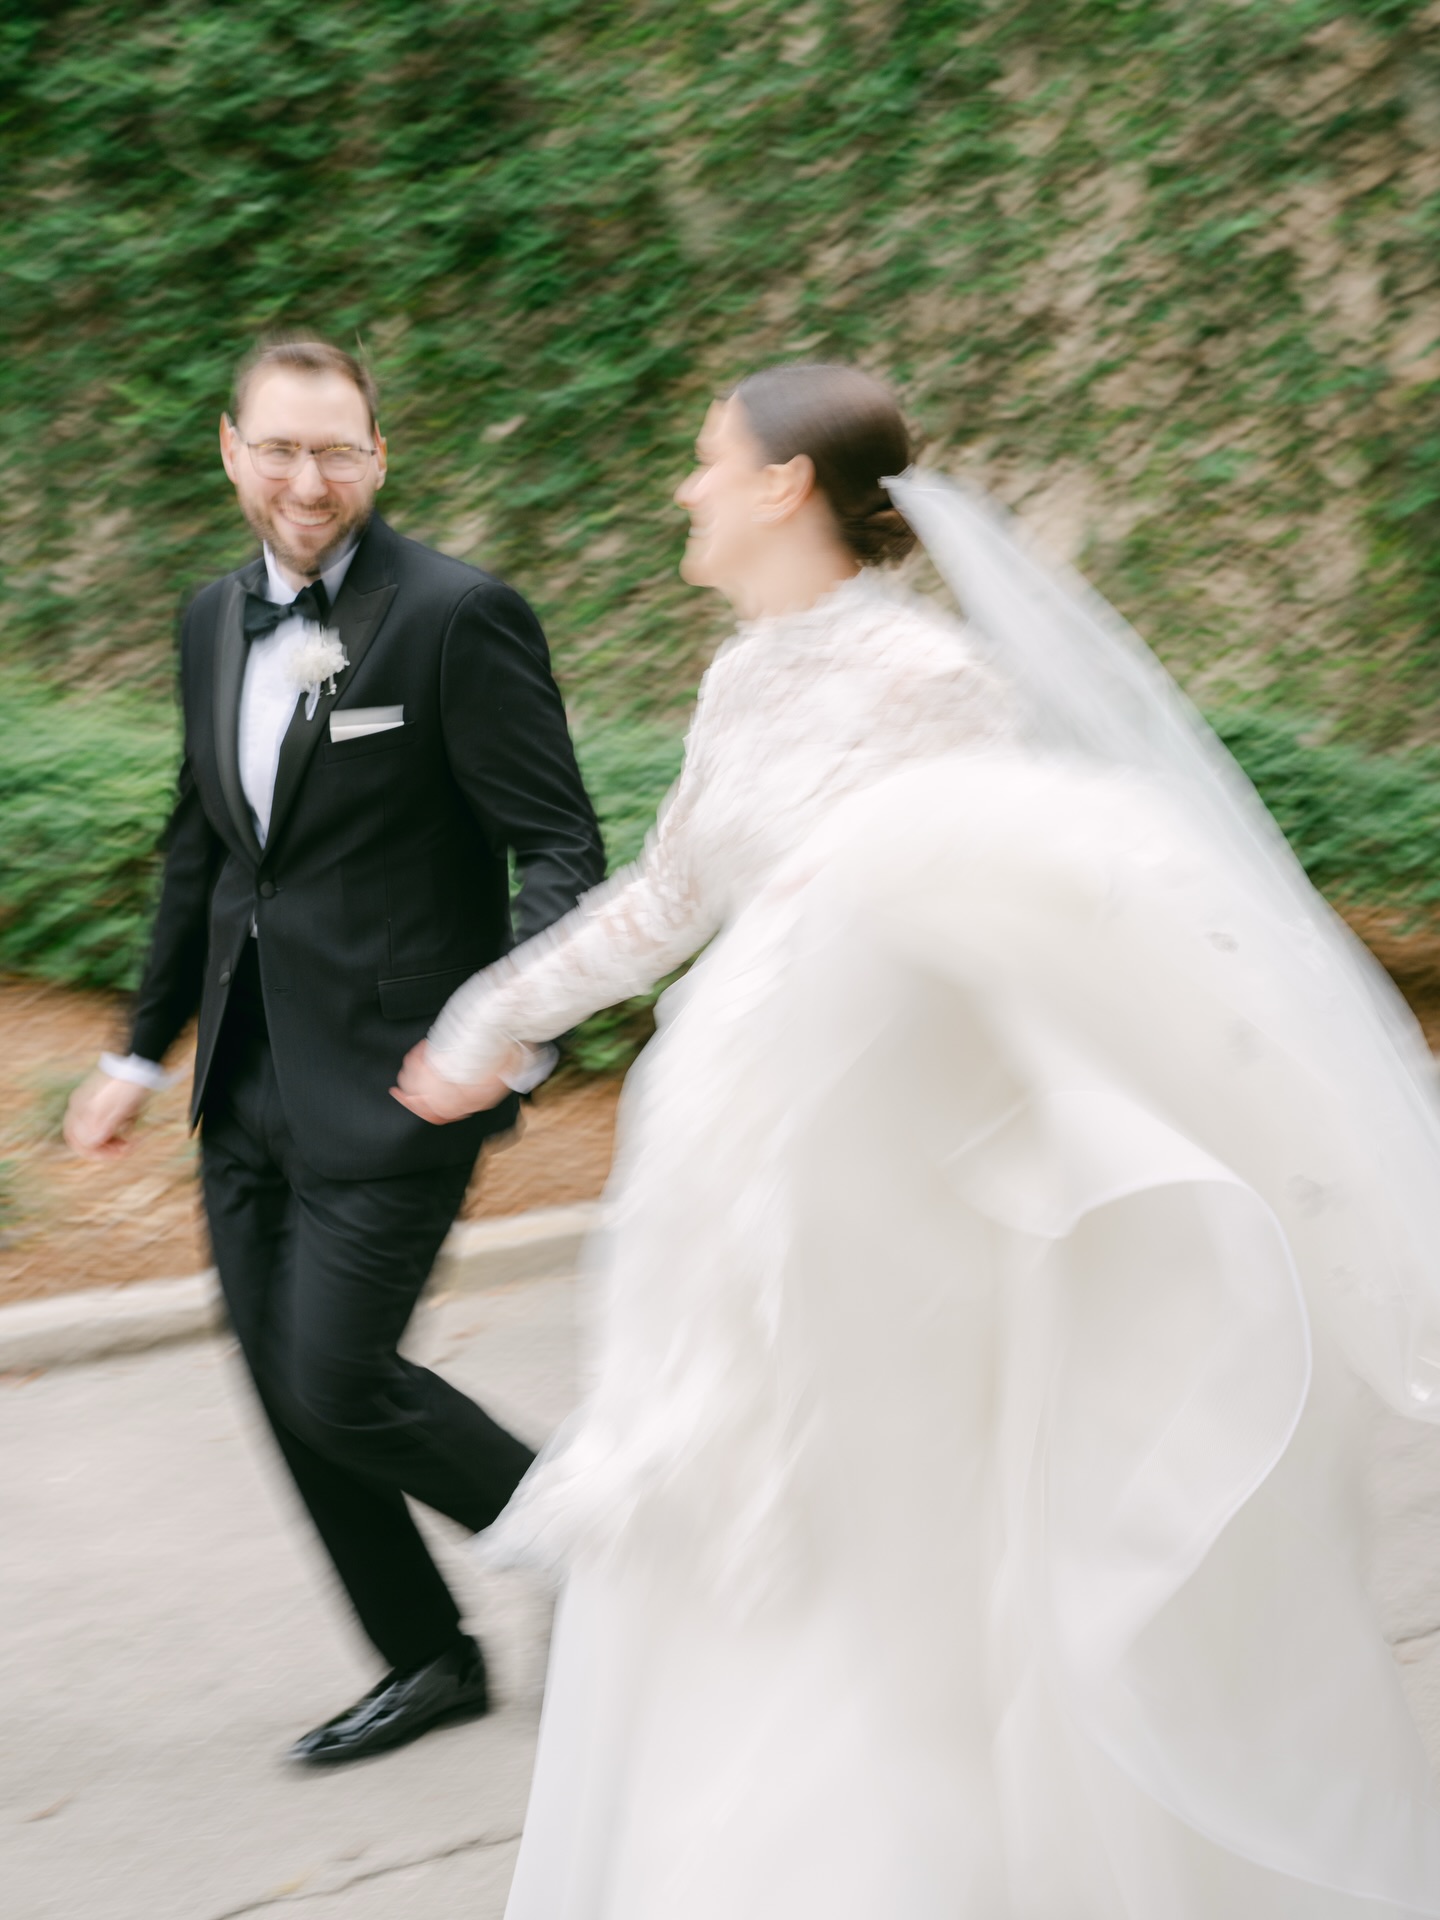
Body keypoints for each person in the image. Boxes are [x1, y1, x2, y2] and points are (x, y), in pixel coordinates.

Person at [395, 364, 1440, 1915]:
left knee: (872, 1540)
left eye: (706, 461)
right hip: (725, 1179)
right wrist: (491, 1017)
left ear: (783, 487)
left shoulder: (930, 680)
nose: (684, 490)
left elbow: (1011, 926)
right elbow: (673, 897)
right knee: (752, 1548)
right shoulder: (746, 675)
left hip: (868, 1196)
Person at [63, 336, 605, 1766]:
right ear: (231, 449)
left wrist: (510, 1036)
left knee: (339, 1374)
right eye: (283, 450)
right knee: (284, 1385)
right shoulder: (206, 620)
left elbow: (558, 845)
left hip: (404, 1075)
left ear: (379, 456)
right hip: (242, 1079)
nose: (311, 481)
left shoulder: (455, 616)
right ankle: (426, 1657)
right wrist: (139, 1051)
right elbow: (206, 852)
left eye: (340, 451)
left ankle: (605, 1555)